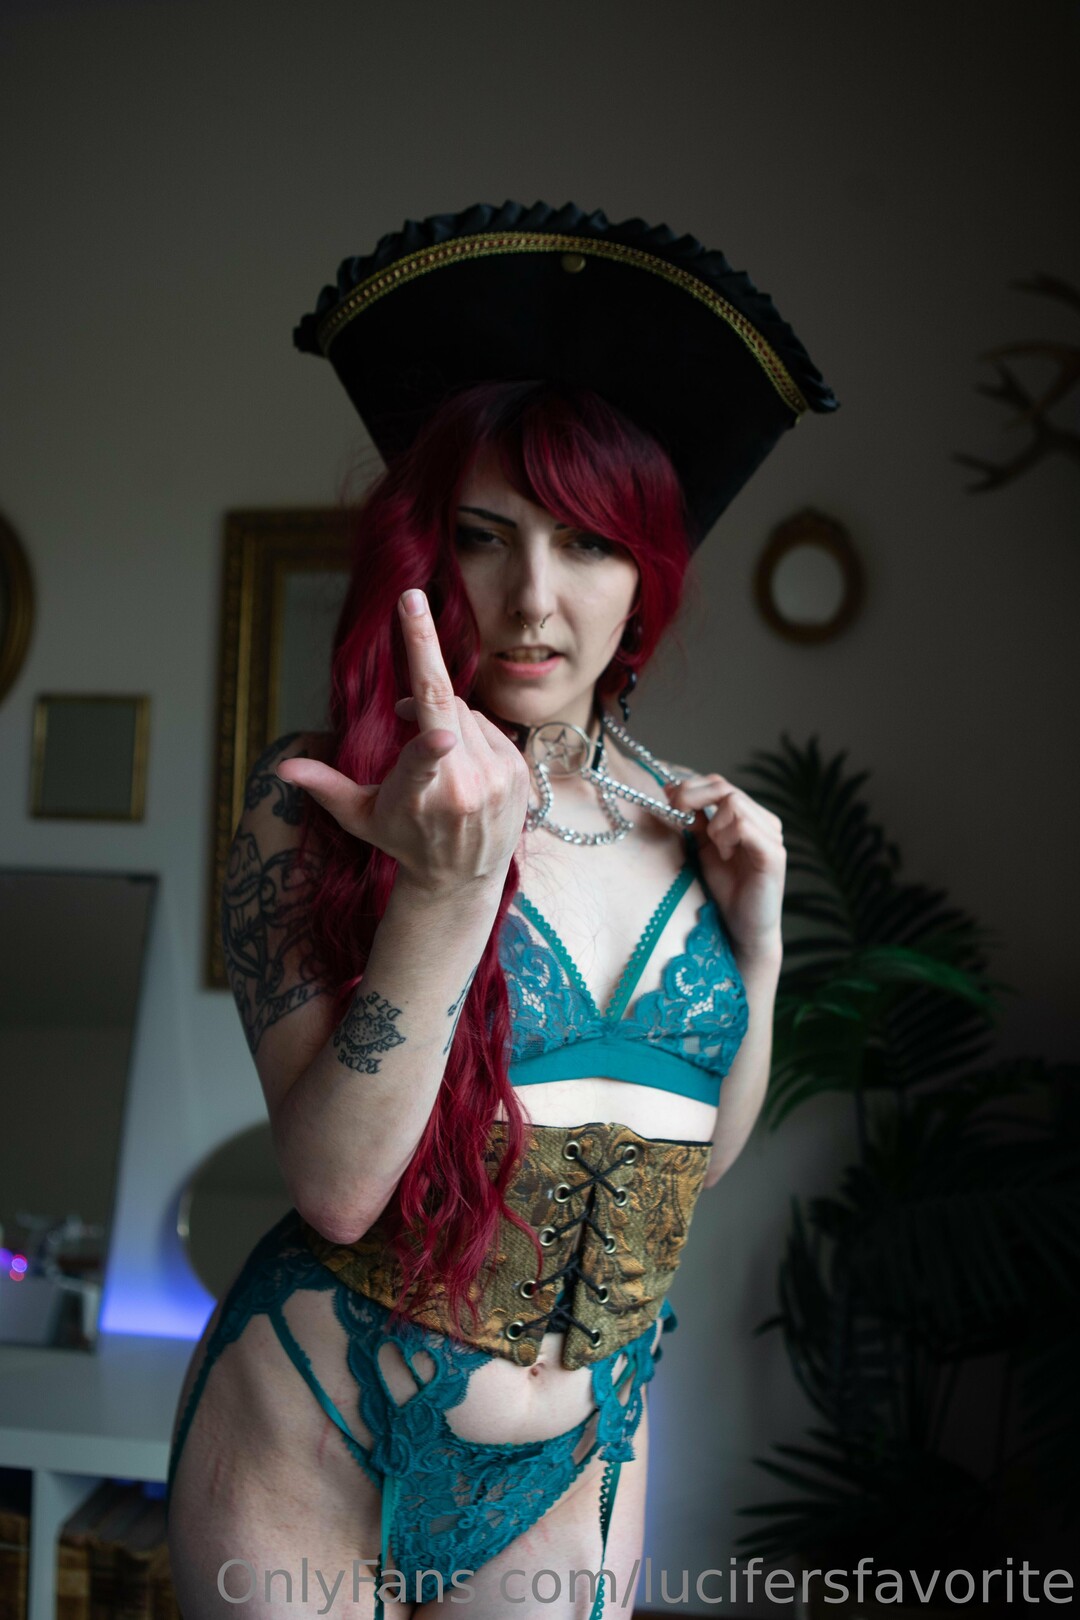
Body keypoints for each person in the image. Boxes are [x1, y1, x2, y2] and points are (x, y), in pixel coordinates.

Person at [165, 202, 838, 1619]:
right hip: (314, 1425)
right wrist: (449, 887)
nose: (533, 598)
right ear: (430, 557)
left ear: (644, 577)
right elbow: (336, 1187)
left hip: (578, 1456)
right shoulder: (320, 803)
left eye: (586, 544)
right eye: (486, 537)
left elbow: (694, 1169)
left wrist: (760, 949)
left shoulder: (682, 826)